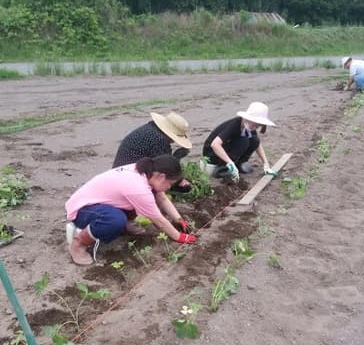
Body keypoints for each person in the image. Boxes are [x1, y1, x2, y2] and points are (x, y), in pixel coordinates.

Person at [65, 155, 196, 266]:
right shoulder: (138, 187)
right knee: (115, 220)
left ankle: (122, 226)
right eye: (170, 183)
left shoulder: (146, 172)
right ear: (161, 176)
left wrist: (179, 220)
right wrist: (178, 236)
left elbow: (162, 199)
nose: (168, 187)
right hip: (82, 209)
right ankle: (78, 244)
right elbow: (159, 221)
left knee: (135, 207)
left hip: (101, 203)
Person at [202, 102, 276, 183]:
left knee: (254, 139)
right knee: (243, 140)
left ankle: (239, 164)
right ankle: (223, 169)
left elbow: (257, 143)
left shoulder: (249, 126)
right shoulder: (234, 125)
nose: (256, 127)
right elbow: (215, 144)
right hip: (211, 155)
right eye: (256, 124)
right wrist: (230, 163)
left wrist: (266, 164)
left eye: (258, 125)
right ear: (249, 119)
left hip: (226, 149)